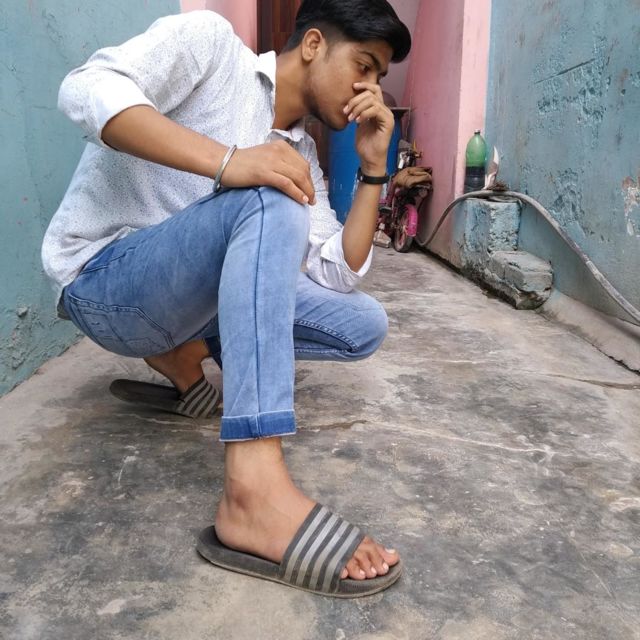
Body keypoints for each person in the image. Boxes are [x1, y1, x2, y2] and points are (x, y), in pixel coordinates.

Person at [42, 0, 411, 597]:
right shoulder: (212, 47)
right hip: (104, 280)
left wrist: (373, 170)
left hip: (186, 304)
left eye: (379, 78)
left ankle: (184, 356)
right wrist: (230, 162)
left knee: (361, 322)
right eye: (363, 66)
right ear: (314, 45)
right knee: (270, 194)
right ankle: (253, 491)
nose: (368, 90)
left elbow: (337, 271)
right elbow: (86, 88)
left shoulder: (302, 154)